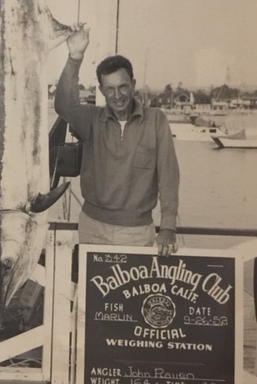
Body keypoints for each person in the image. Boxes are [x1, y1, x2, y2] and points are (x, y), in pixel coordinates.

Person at [55, 26, 179, 256]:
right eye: (110, 89)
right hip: (92, 227)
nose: (117, 95)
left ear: (133, 84)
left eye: (123, 87)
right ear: (101, 90)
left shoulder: (156, 120)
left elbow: (169, 177)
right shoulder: (90, 119)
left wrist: (168, 226)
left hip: (137, 232)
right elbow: (63, 105)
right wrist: (75, 58)